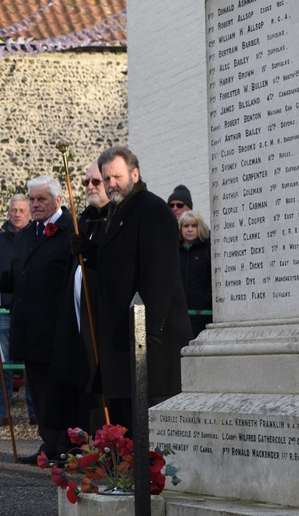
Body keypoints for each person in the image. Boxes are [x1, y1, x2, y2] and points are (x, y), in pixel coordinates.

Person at [90, 146, 192, 432]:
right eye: (106, 178)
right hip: (123, 345)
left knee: (150, 435)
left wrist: (150, 330)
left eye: (117, 177)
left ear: (134, 174)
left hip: (150, 344)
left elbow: (160, 275)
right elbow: (120, 264)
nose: (111, 184)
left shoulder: (153, 209)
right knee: (127, 432)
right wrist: (92, 253)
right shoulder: (115, 212)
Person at [0, 176, 74, 463]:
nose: (35, 204)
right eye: (32, 199)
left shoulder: (71, 232)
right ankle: (49, 443)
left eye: (41, 199)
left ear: (57, 200)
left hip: (58, 326)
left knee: (59, 389)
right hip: (29, 326)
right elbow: (19, 280)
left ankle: (67, 445)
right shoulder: (26, 234)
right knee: (39, 388)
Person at [52, 161, 111, 434]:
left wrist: (93, 251)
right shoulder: (84, 218)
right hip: (75, 313)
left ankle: (106, 440)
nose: (89, 187)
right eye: (86, 182)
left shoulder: (115, 218)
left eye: (95, 182)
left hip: (102, 315)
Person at [0, 195, 35, 426]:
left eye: (21, 210)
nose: (17, 214)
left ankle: (35, 411)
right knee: (2, 363)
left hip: (29, 307)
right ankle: (2, 409)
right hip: (4, 308)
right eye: (13, 210)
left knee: (33, 361)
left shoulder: (36, 237)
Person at [178, 210, 213, 338]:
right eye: (186, 226)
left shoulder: (208, 249)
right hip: (180, 315)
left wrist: (207, 300)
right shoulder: (174, 251)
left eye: (194, 226)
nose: (190, 229)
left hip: (204, 315)